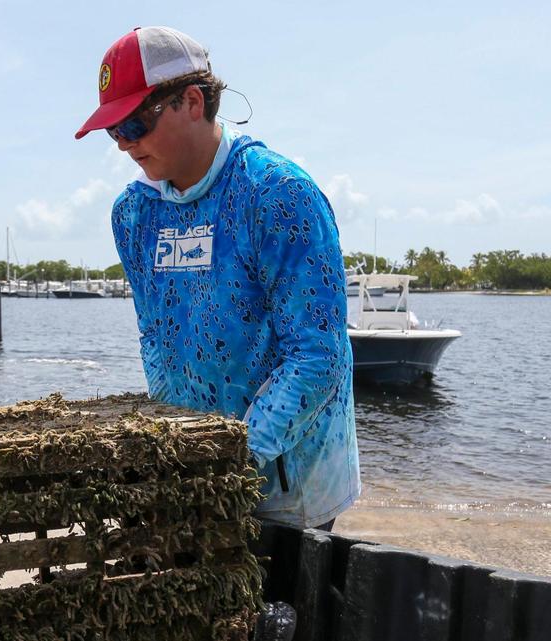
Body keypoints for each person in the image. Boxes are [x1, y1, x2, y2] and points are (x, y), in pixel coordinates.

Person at [75, 27, 360, 530]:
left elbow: (318, 355)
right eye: (113, 131)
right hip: (196, 478)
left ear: (191, 100)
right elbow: (154, 337)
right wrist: (182, 448)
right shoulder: (134, 216)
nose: (124, 145)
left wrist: (232, 462)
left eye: (136, 124)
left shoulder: (276, 194)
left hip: (291, 489)